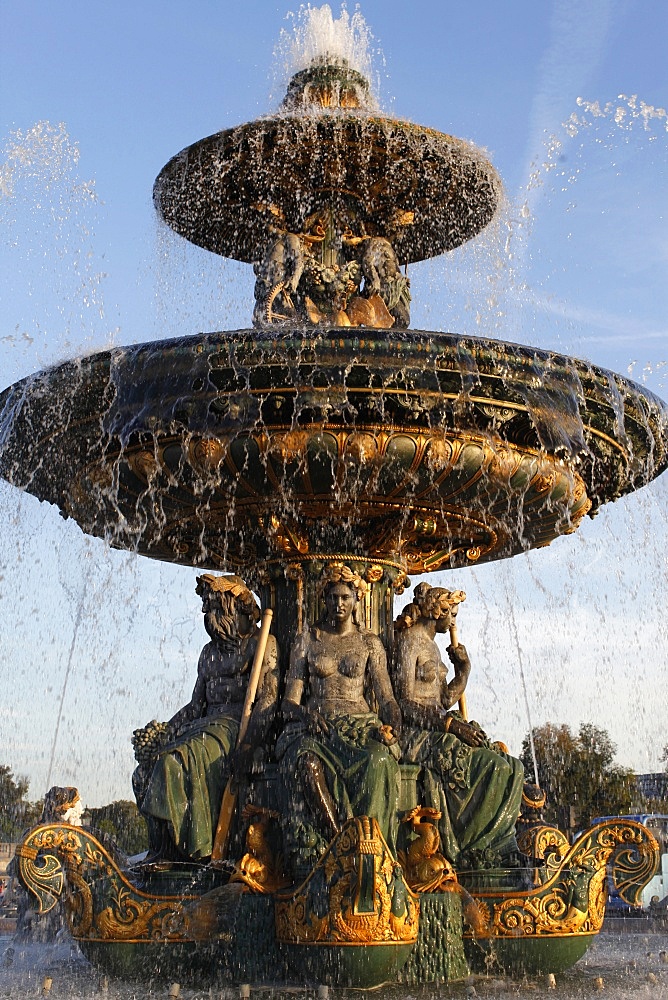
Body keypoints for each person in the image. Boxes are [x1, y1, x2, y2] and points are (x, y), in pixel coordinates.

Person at [133, 574, 279, 864]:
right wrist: (165, 730)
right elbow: (195, 704)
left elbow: (268, 701)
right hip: (203, 725)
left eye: (217, 609)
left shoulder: (261, 644)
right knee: (145, 770)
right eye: (207, 609)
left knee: (175, 761)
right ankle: (165, 850)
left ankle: (193, 852)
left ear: (238, 610)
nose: (209, 616)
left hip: (234, 727)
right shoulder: (209, 653)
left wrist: (250, 746)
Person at [394, 583, 524, 873]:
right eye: (451, 612)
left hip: (440, 727)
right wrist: (451, 725)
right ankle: (478, 846)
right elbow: (403, 702)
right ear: (436, 609)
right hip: (417, 733)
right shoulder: (410, 641)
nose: (453, 619)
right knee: (493, 768)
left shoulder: (432, 646)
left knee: (509, 765)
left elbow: (443, 698)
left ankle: (502, 843)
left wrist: (464, 671)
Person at [278, 563, 402, 865]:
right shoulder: (308, 639)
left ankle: (373, 848)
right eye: (333, 597)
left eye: (345, 597)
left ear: (357, 599)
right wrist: (306, 715)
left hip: (360, 724)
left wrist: (394, 724)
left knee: (378, 761)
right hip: (316, 727)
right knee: (306, 765)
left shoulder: (369, 643)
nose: (339, 604)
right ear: (324, 600)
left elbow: (386, 698)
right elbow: (288, 703)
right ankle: (339, 846)